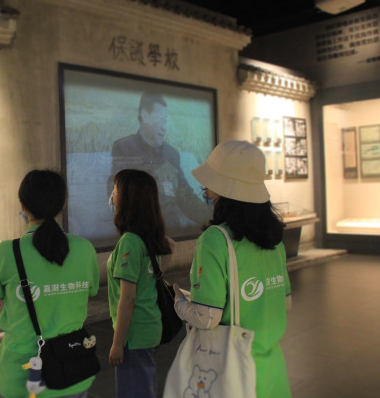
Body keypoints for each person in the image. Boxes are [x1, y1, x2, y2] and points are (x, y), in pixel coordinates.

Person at [173, 140, 292, 398]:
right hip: (272, 370)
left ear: (221, 190)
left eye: (209, 186)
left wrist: (180, 303)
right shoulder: (274, 240)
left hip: (234, 373)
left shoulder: (215, 240)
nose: (207, 193)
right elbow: (286, 302)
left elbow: (207, 318)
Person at [0, 170, 100, 398]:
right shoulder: (84, 248)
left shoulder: (6, 252)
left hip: (23, 372)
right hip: (72, 366)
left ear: (22, 205)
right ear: (63, 203)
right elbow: (92, 289)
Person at [107, 169, 173, 398]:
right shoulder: (149, 236)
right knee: (144, 387)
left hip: (134, 334)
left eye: (115, 190)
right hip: (149, 326)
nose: (112, 195)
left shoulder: (130, 241)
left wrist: (117, 344)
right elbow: (171, 246)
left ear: (127, 198)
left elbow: (128, 298)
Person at [110, 92, 212, 238]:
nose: (164, 127)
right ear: (145, 115)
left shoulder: (172, 154)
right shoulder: (124, 147)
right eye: (160, 120)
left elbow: (186, 197)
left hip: (173, 232)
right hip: (139, 234)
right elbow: (116, 193)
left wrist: (214, 219)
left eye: (166, 121)